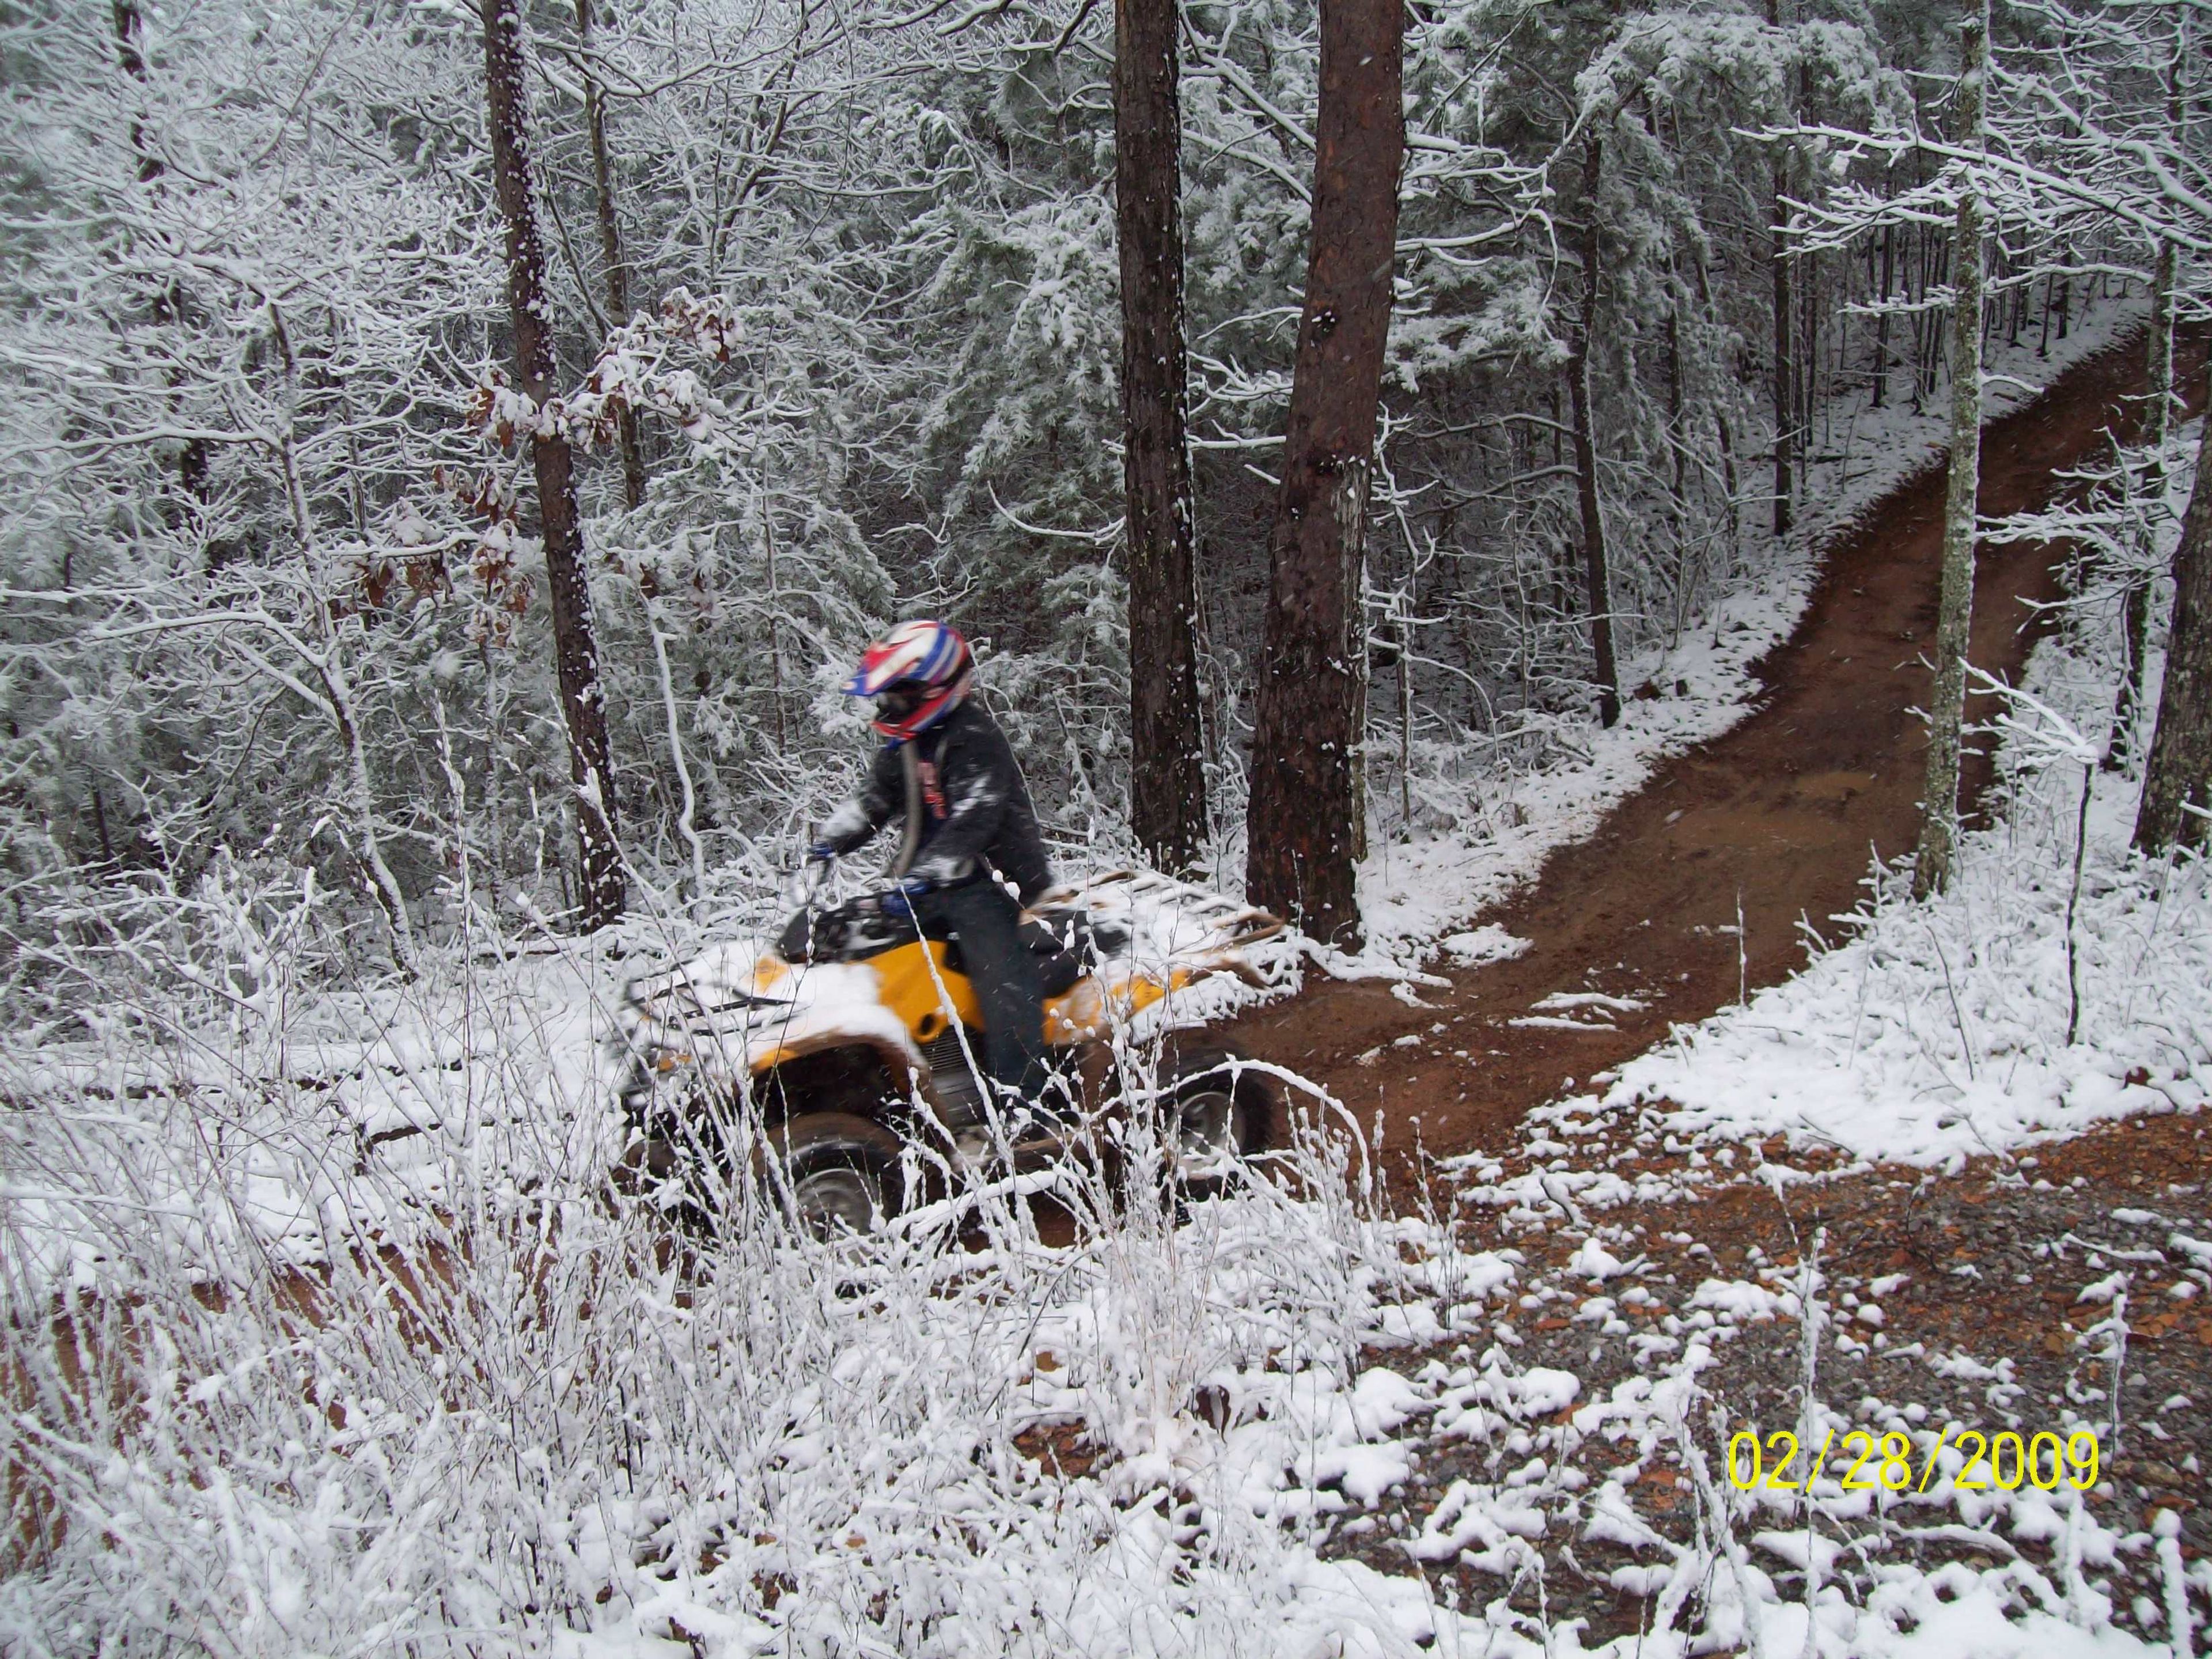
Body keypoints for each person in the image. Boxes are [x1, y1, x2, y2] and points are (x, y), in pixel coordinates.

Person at [810, 620, 1056, 1111]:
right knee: (863, 952)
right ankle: (897, 1076)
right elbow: (874, 800)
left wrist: (926, 875)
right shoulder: (908, 743)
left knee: (1005, 984)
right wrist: (827, 842)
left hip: (996, 888)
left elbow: (973, 820)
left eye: (900, 695)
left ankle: (1025, 1103)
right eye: (889, 696)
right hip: (929, 886)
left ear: (935, 688)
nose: (890, 706)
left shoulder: (976, 739)